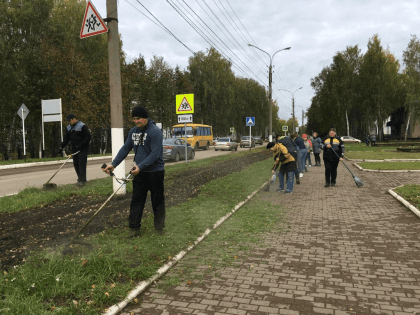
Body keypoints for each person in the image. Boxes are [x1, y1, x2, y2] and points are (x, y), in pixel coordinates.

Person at [103, 106, 165, 238]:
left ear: (146, 118)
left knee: (157, 200)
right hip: (140, 173)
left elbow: (155, 154)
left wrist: (140, 166)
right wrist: (113, 164)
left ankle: (159, 228)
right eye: (134, 119)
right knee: (137, 200)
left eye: (139, 119)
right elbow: (125, 149)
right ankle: (134, 229)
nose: (136, 121)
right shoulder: (133, 132)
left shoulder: (155, 132)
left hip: (155, 172)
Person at [59, 114, 91, 186]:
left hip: (82, 149)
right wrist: (61, 147)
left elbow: (88, 137)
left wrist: (81, 145)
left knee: (81, 164)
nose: (69, 122)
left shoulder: (82, 126)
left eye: (70, 121)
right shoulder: (68, 128)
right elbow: (67, 139)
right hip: (74, 149)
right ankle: (80, 178)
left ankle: (82, 180)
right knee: (76, 164)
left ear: (74, 119)